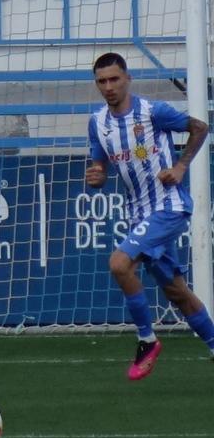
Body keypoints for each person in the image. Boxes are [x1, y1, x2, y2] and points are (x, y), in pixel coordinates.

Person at [85, 52, 214, 379]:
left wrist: (181, 166)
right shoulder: (98, 123)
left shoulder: (152, 112)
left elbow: (199, 128)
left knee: (119, 263)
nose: (109, 87)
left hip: (168, 206)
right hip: (138, 214)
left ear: (127, 78)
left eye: (115, 79)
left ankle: (147, 339)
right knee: (177, 293)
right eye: (102, 81)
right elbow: (99, 164)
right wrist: (97, 176)